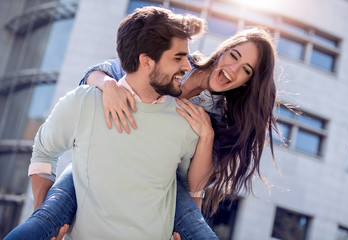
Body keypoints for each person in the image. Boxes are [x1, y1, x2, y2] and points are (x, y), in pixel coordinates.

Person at [6, 17, 279, 240]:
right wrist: (108, 85)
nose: (233, 69)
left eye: (246, 70)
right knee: (48, 215)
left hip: (165, 181)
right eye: (233, 56)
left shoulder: (220, 116)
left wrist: (206, 135)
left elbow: (194, 184)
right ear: (223, 50)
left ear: (247, 82)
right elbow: (108, 69)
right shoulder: (180, 61)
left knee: (199, 233)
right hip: (112, 160)